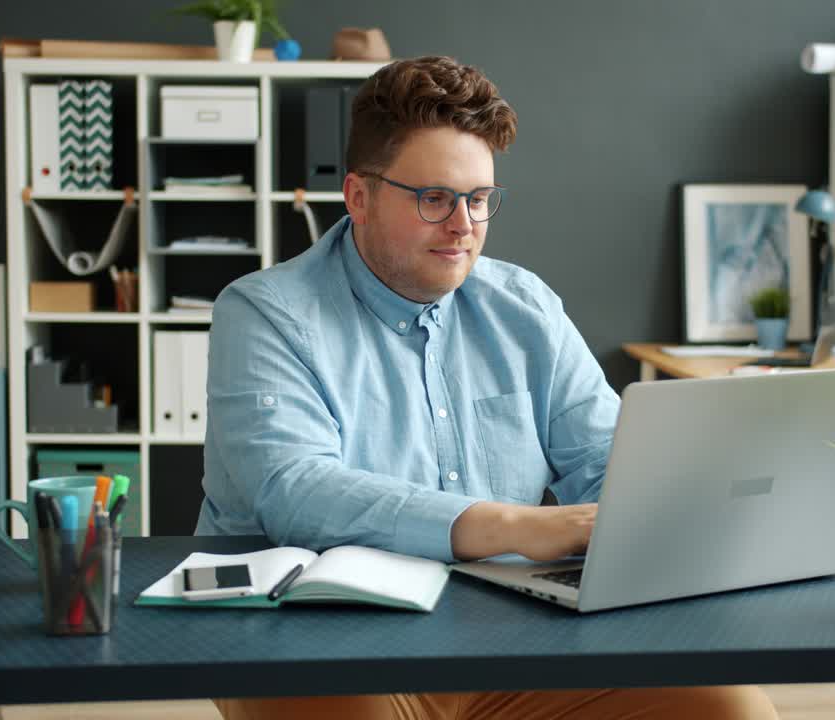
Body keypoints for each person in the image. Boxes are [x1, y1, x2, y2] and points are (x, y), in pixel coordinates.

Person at [198, 55, 778, 720]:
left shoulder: (525, 307)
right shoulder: (266, 312)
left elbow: (603, 460)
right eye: (434, 199)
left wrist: (674, 512)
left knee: (731, 709)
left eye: (478, 199)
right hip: (312, 636)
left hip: (503, 631)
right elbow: (294, 491)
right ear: (358, 196)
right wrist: (514, 525)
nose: (464, 225)